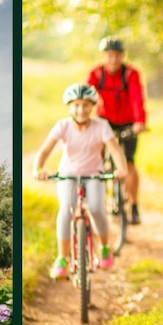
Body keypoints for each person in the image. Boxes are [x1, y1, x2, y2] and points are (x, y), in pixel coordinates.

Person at [32, 83, 128, 279]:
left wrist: (122, 168)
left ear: (92, 106)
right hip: (68, 174)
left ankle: (104, 247)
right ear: (69, 107)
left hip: (94, 175)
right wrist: (38, 169)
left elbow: (115, 150)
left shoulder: (101, 126)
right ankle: (62, 258)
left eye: (85, 105)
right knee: (66, 208)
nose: (81, 110)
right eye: (76, 105)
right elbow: (45, 150)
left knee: (96, 208)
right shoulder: (63, 126)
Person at [87, 37, 147, 224]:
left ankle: (134, 205)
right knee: (97, 158)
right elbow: (88, 98)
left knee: (128, 164)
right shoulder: (96, 74)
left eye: (117, 56)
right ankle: (97, 195)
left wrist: (140, 122)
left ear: (122, 56)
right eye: (109, 55)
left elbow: (137, 98)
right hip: (105, 122)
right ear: (103, 56)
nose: (113, 60)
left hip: (128, 122)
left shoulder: (131, 74)